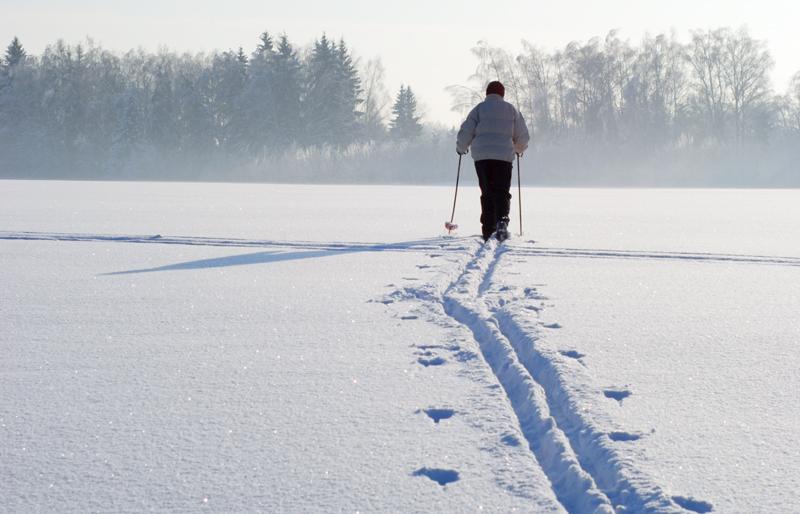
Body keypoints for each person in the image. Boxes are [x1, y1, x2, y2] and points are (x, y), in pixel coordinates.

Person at [456, 81, 530, 242]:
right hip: (503, 157)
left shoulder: (479, 109)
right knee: (502, 191)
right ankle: (502, 222)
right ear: (502, 94)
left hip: (482, 157)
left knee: (487, 192)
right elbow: (523, 136)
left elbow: (466, 131)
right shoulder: (511, 110)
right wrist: (518, 149)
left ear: (487, 93)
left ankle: (488, 228)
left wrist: (461, 148)